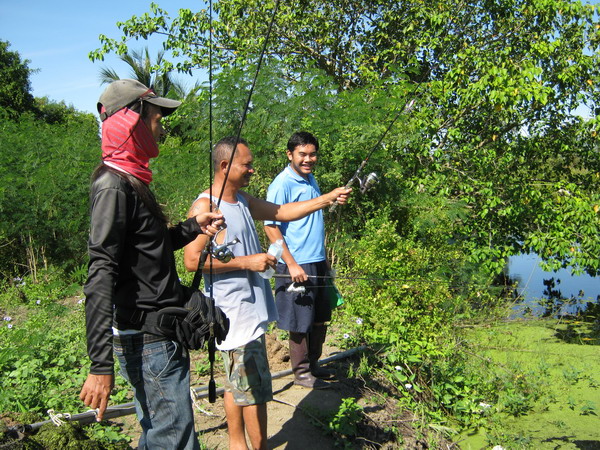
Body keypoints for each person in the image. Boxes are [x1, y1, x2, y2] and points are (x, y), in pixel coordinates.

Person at [79, 79, 224, 450]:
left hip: (159, 337)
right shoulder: (114, 186)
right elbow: (100, 274)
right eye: (157, 118)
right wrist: (99, 365)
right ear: (131, 122)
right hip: (148, 340)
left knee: (162, 437)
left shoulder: (134, 179)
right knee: (174, 441)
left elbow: (150, 248)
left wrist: (193, 227)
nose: (162, 127)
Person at [183, 136, 351, 450]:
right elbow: (192, 261)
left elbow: (284, 212)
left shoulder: (242, 200)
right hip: (234, 316)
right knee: (256, 392)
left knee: (238, 386)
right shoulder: (206, 206)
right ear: (224, 166)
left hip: (250, 312)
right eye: (246, 165)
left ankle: (237, 444)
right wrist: (247, 262)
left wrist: (327, 197)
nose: (252, 170)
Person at [264, 131, 346, 389]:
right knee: (299, 321)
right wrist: (290, 263)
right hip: (296, 261)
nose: (308, 159)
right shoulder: (282, 184)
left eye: (312, 154)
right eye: (302, 154)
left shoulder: (310, 179)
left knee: (320, 316)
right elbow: (271, 227)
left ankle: (314, 365)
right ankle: (301, 374)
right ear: (290, 155)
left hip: (317, 259)